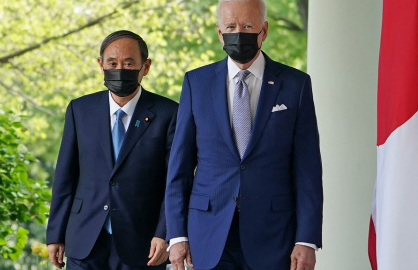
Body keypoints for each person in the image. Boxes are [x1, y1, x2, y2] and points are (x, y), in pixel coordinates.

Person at [165, 0, 323, 270]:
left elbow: (307, 168)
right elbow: (179, 167)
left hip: (274, 236)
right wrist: (177, 235)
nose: (239, 32)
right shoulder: (196, 83)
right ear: (219, 32)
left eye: (248, 25)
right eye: (231, 26)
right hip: (209, 233)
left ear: (264, 30)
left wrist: (306, 239)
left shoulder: (295, 85)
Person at [46, 30, 178, 270]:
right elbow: (65, 176)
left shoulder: (169, 113)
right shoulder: (80, 110)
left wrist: (165, 233)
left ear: (145, 66)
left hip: (144, 245)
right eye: (112, 63)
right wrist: (55, 233)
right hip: (85, 240)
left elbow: (174, 182)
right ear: (101, 65)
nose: (120, 69)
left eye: (129, 63)